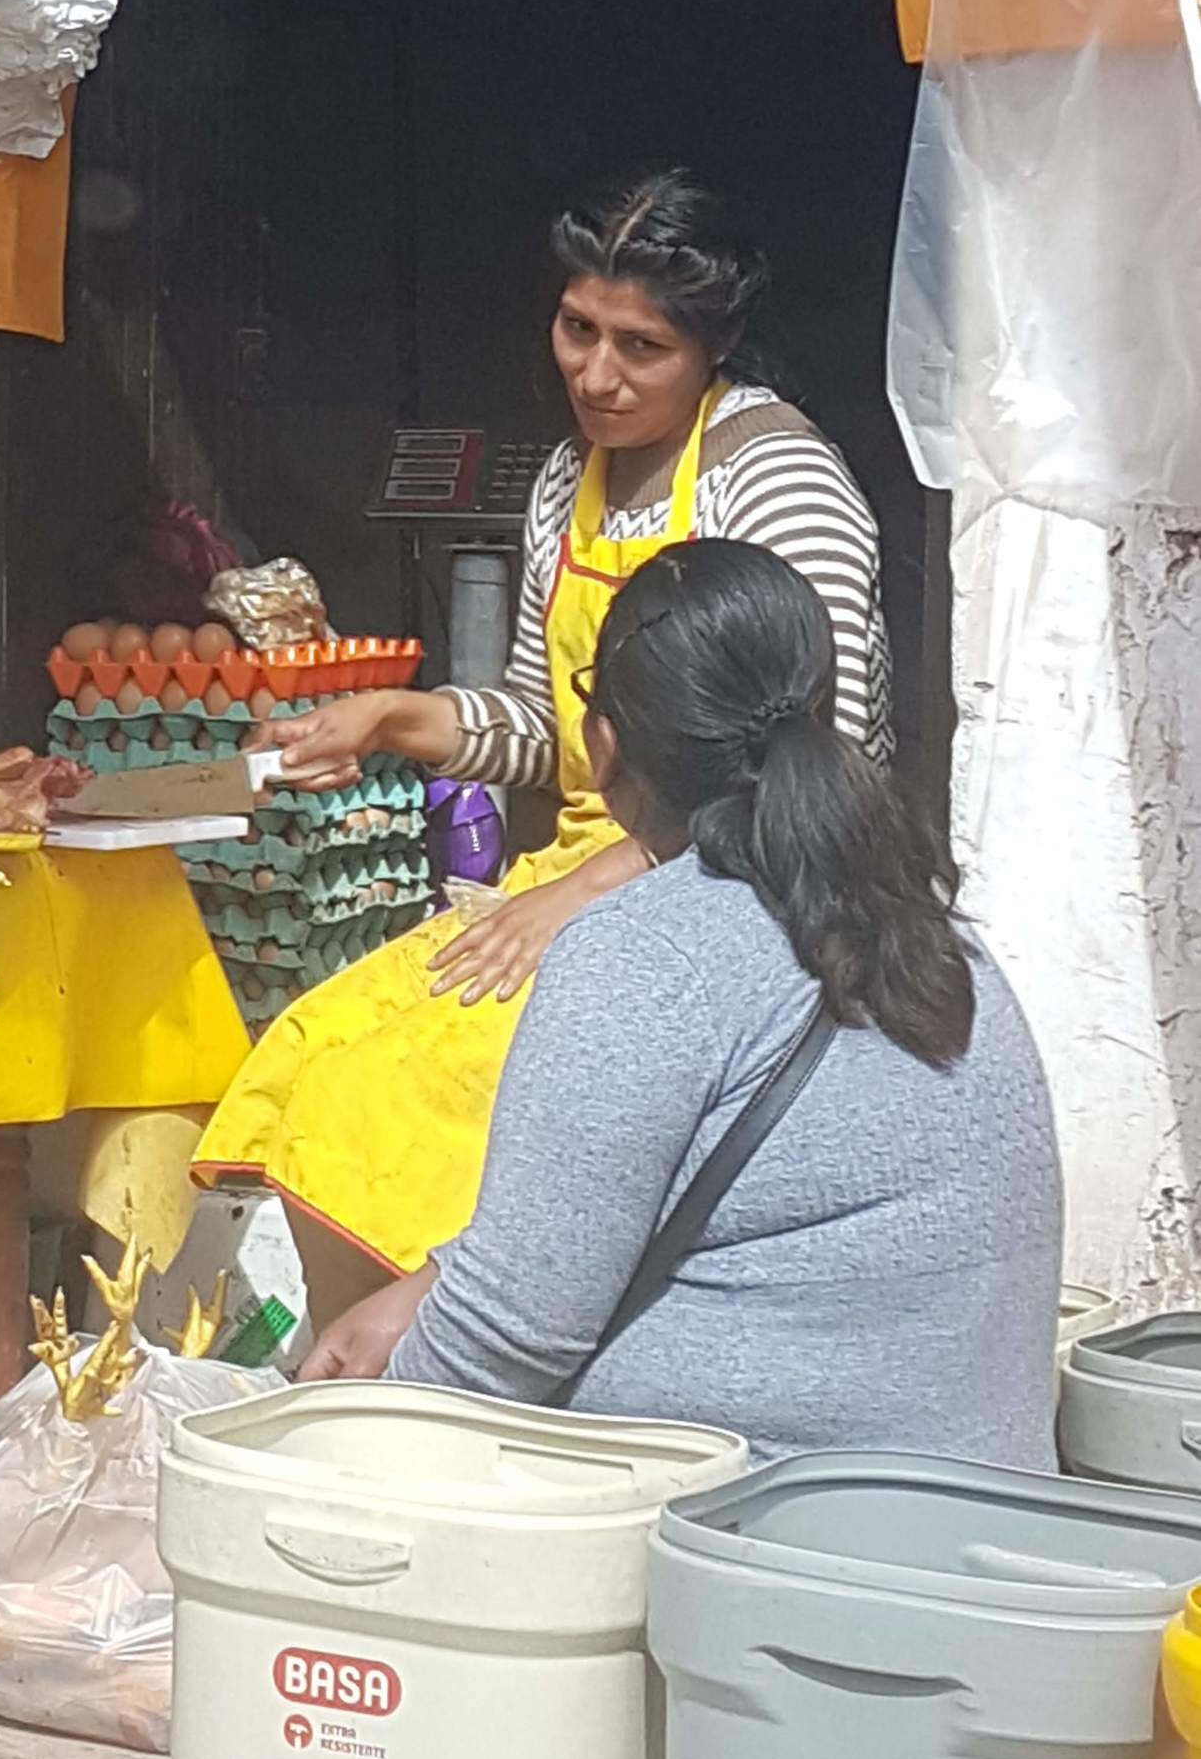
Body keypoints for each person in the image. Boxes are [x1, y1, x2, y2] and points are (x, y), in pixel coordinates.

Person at [195, 168, 896, 1329]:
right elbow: (546, 725)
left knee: (413, 1090)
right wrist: (396, 717)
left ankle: (419, 1362)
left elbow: (822, 763)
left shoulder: (776, 479)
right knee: (318, 1042)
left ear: (710, 350)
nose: (596, 374)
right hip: (571, 883)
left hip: (732, 898)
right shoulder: (570, 479)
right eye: (577, 330)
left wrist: (585, 892)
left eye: (640, 346)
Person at [302, 540, 1062, 1468]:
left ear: (605, 747)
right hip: (984, 1507)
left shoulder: (645, 953)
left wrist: (322, 1458)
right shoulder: (942, 933)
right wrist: (434, 1284)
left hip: (766, 1532)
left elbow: (506, 1340)